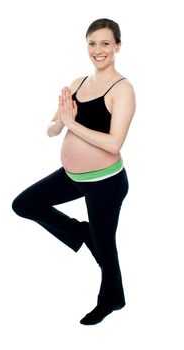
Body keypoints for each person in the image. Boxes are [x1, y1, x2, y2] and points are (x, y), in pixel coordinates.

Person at [12, 18, 136, 326]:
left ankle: (112, 299)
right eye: (92, 43)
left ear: (117, 46)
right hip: (73, 176)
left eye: (105, 43)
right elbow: (53, 129)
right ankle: (82, 232)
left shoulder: (123, 90)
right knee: (24, 205)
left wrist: (73, 124)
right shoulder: (79, 82)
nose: (98, 50)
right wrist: (59, 121)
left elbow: (114, 142)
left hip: (106, 183)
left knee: (106, 247)